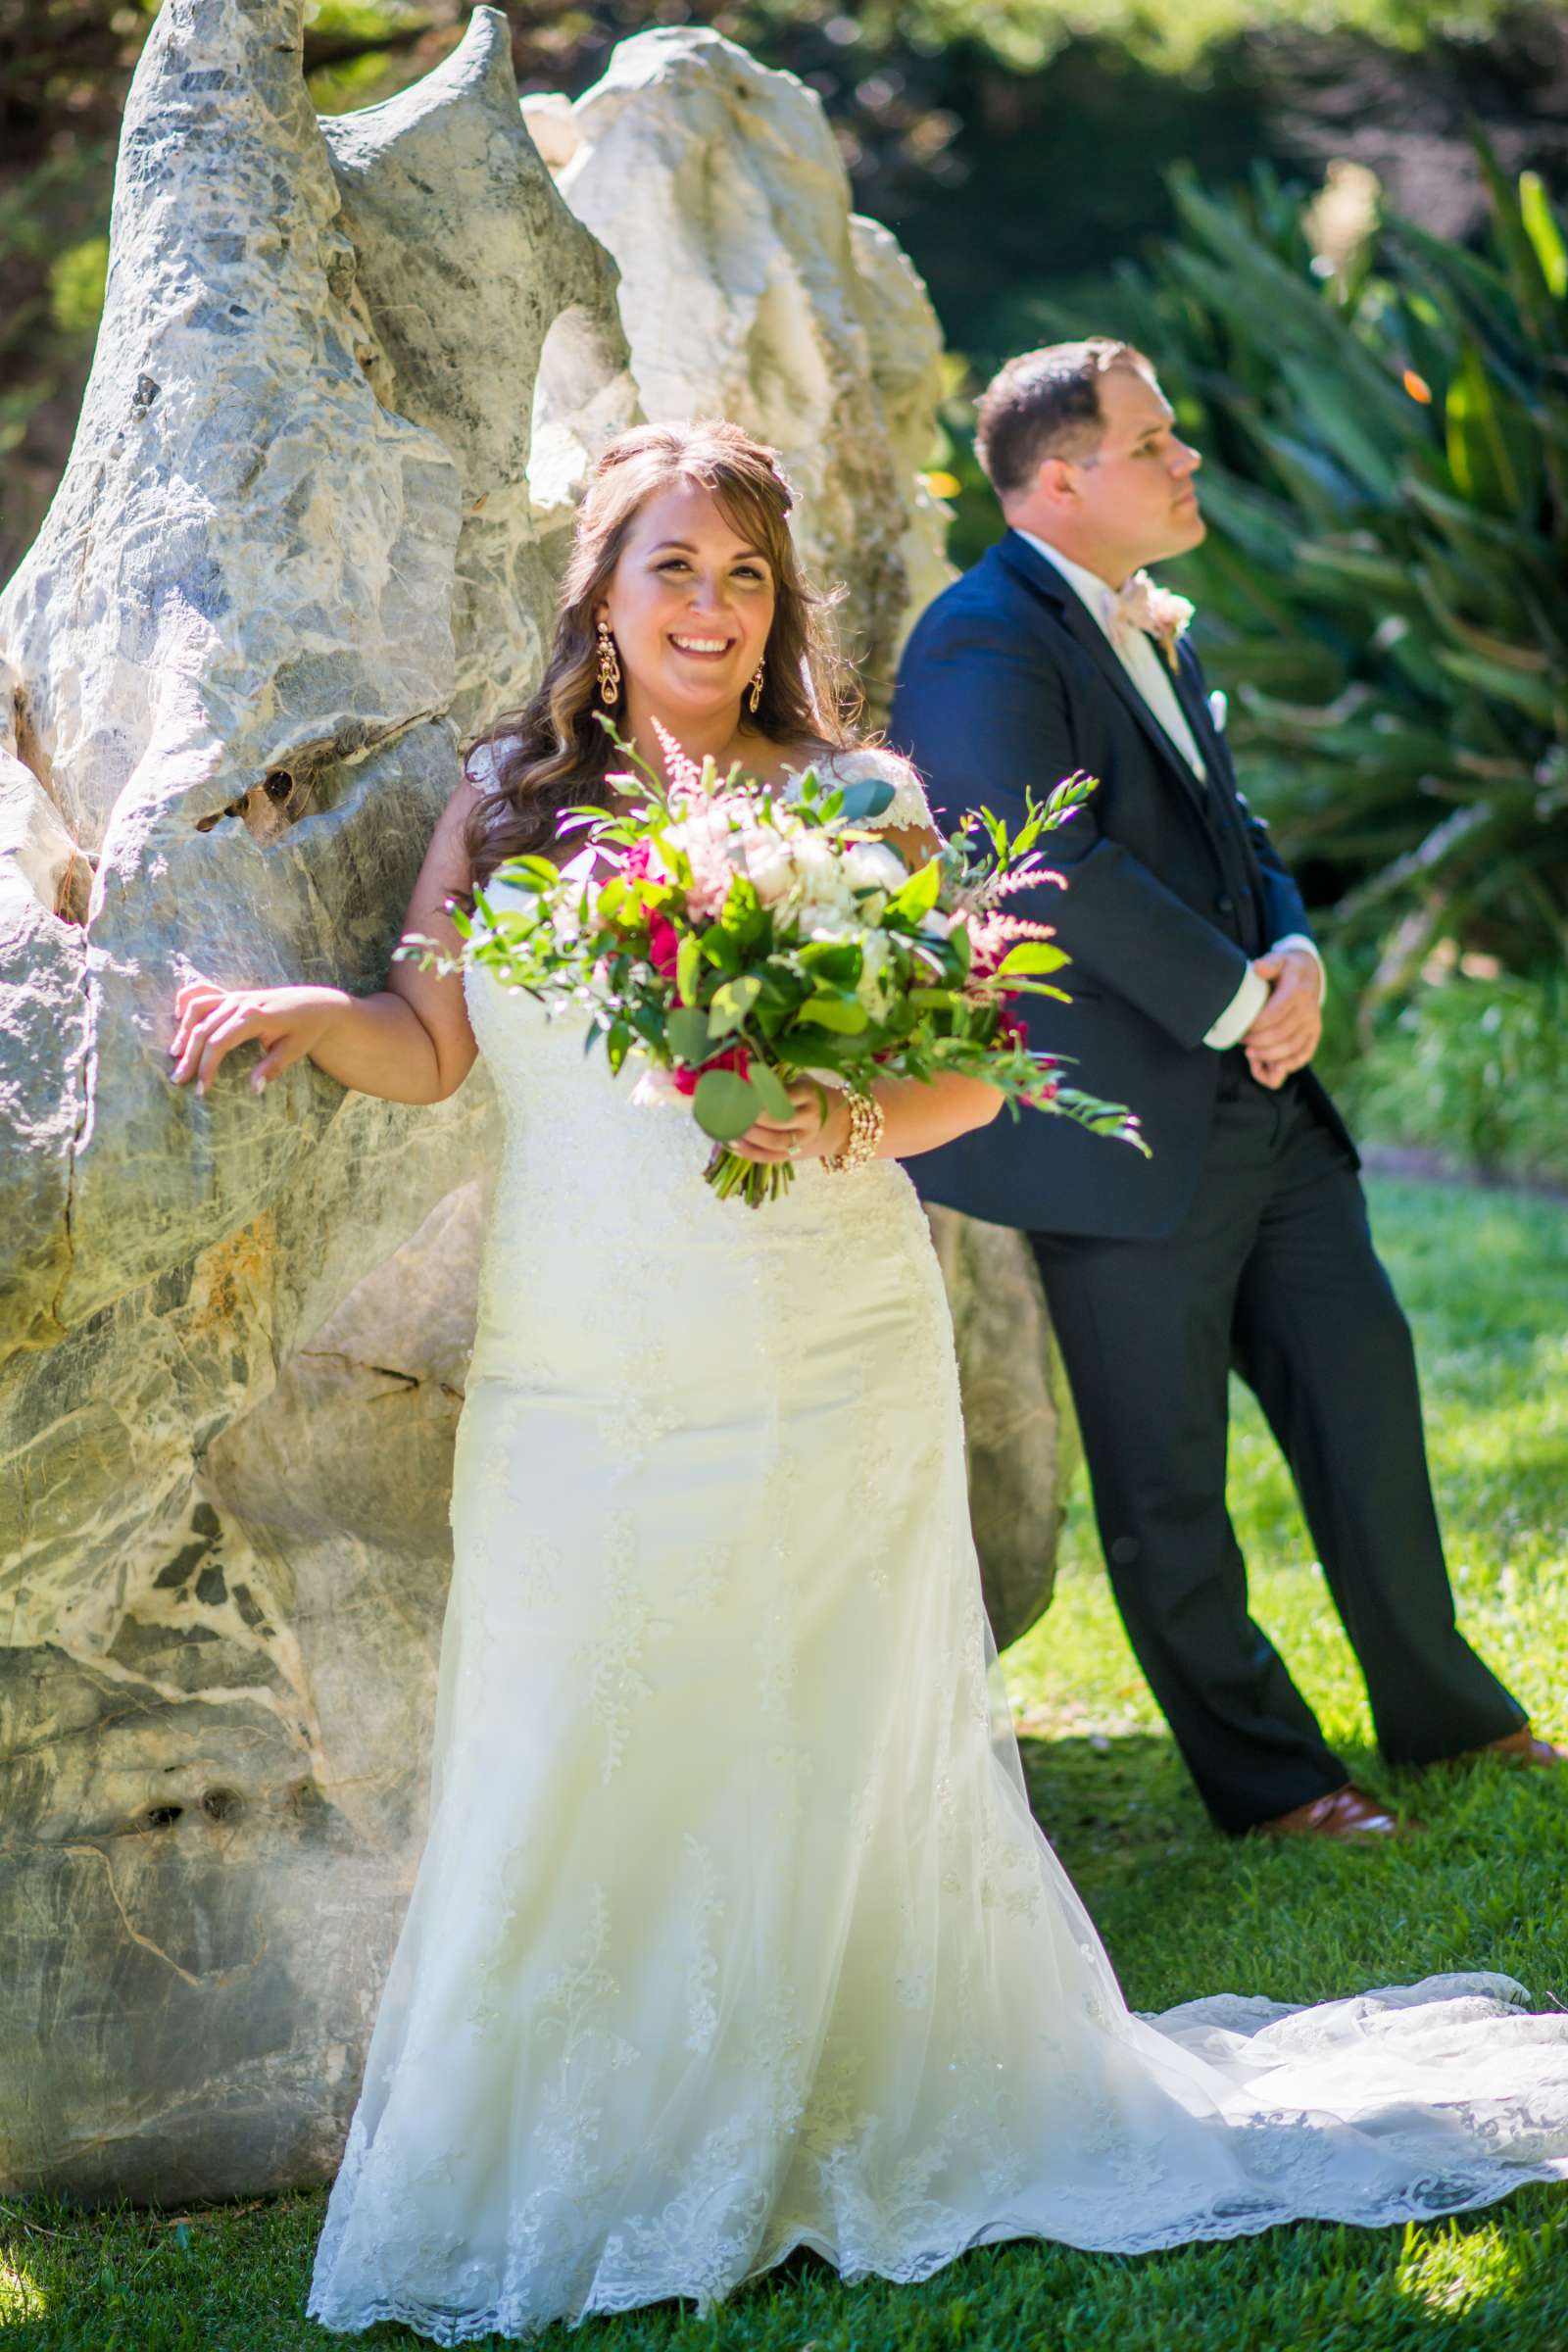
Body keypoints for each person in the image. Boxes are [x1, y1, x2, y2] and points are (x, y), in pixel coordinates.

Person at [169, 422, 1568, 2341]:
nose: (711, 610)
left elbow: (971, 1076)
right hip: (578, 1363)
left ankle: (829, 2106)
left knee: (810, 1726)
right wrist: (308, 1016)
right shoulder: (503, 799)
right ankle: (601, 2127)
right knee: (578, 1725)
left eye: (745, 578)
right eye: (673, 569)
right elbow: (430, 1044)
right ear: (599, 593)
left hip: (814, 1342)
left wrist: (843, 1111)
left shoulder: (854, 800)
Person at [890, 340, 1562, 1843]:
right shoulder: (978, 642)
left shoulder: (1156, 628)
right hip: (1114, 1138)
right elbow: (1044, 868)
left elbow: (1224, 823)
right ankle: (1270, 1782)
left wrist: (1297, 947)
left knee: (1365, 1406)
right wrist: (1232, 997)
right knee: (1168, 1488)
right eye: (1155, 441)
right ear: (1059, 480)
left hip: (1268, 1111)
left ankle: (1450, 1718)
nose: (1188, 459)